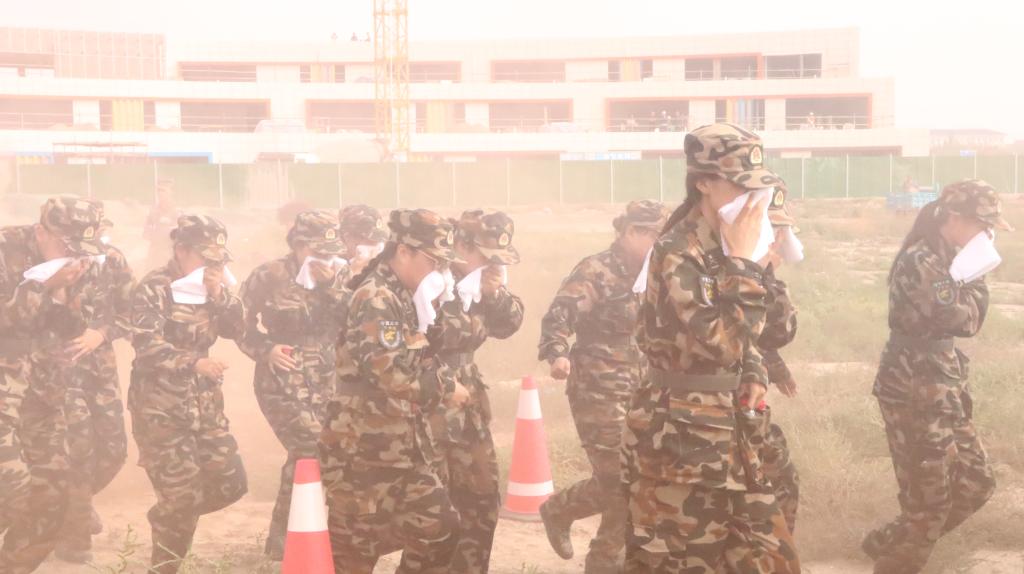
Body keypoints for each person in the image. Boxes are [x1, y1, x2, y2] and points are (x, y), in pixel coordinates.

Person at [620, 122, 800, 573]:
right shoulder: (678, 250)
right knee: (680, 563)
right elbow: (723, 341)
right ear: (703, 183)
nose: (750, 198)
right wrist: (743, 266)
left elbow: (769, 334)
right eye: (739, 185)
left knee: (773, 561)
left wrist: (755, 370)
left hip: (735, 432)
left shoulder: (732, 245)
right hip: (680, 443)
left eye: (755, 187)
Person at [862, 180, 1007, 574]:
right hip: (914, 387)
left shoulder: (948, 257)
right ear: (954, 217)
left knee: (976, 482)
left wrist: (970, 269)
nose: (986, 235)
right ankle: (897, 562)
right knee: (930, 501)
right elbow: (964, 320)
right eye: (982, 225)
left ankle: (886, 543)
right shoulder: (923, 260)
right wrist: (977, 275)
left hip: (942, 384)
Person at [320, 208, 470, 574]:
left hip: (400, 444)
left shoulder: (405, 296)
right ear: (403, 251)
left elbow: (419, 354)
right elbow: (388, 373)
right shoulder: (377, 297)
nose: (438, 271)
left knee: (440, 528)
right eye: (433, 261)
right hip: (362, 446)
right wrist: (444, 388)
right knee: (354, 552)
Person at [537, 200, 668, 574]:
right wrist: (557, 353)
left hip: (642, 386)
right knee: (620, 481)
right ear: (630, 232)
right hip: (597, 386)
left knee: (642, 477)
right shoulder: (596, 270)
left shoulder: (658, 272)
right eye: (654, 235)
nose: (661, 243)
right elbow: (559, 315)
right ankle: (603, 562)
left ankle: (561, 509)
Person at [128, 215, 247, 574]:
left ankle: (168, 514)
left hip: (205, 405)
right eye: (205, 258)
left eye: (218, 260)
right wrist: (193, 362)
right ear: (181, 250)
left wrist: (219, 295)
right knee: (181, 498)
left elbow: (236, 329)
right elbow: (145, 344)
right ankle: (165, 564)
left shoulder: (212, 288)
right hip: (160, 407)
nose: (212, 267)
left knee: (230, 482)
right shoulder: (155, 287)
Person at [0, 197, 108, 573]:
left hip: (40, 393)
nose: (74, 255)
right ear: (41, 232)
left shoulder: (75, 265)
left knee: (53, 498)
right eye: (67, 245)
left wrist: (63, 297)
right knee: (13, 489)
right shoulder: (5, 251)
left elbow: (70, 331)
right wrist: (43, 287)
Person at [237, 210, 348, 560]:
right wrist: (264, 349)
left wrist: (331, 286)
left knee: (312, 455)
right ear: (299, 245)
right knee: (309, 446)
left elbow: (357, 319)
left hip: (327, 378)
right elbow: (237, 322)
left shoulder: (341, 276)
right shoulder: (269, 275)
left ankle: (291, 540)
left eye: (330, 252)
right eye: (318, 252)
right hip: (281, 378)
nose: (325, 259)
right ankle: (288, 542)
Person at [426, 210, 524, 573]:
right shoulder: (431, 279)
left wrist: (494, 295)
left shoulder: (480, 284)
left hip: (467, 399)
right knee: (433, 506)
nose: (492, 265)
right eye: (485, 255)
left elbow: (509, 325)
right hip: (428, 396)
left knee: (482, 498)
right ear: (461, 245)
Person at [55, 205, 135, 563]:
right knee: (79, 449)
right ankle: (73, 540)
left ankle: (76, 502)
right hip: (60, 370)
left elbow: (131, 312)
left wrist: (101, 334)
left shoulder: (113, 261)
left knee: (114, 449)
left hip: (100, 370)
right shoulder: (47, 264)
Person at [756, 192, 802, 533]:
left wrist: (776, 367)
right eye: (772, 228)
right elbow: (775, 330)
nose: (779, 238)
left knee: (780, 481)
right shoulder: (724, 270)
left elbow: (761, 338)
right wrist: (763, 273)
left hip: (741, 401)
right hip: (712, 407)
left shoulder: (755, 273)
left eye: (781, 230)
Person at [338, 204, 389, 278]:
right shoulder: (334, 266)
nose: (375, 244)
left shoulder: (387, 265)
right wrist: (354, 273)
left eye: (378, 239)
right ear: (347, 237)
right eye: (365, 238)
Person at [143, 178, 180, 270]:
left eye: (163, 190)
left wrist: (168, 226)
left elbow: (179, 230)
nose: (160, 193)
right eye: (159, 191)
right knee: (150, 270)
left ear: (170, 193)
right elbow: (147, 228)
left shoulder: (176, 211)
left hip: (169, 248)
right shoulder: (153, 210)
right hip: (155, 248)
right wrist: (150, 232)